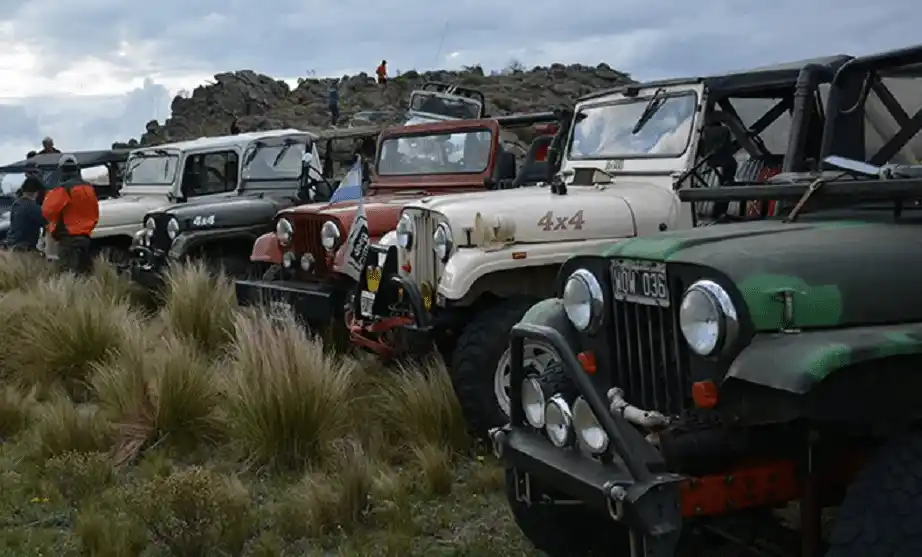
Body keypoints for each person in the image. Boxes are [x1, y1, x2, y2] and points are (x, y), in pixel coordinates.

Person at [41, 155, 99, 274]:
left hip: (68, 239)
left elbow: (47, 211)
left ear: (61, 170)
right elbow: (95, 212)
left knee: (67, 275)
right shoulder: (89, 188)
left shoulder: (63, 189)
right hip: (85, 238)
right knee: (85, 275)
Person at [6, 176, 46, 252]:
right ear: (36, 192)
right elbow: (46, 222)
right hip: (25, 248)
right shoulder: (34, 207)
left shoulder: (16, 204)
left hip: (12, 245)